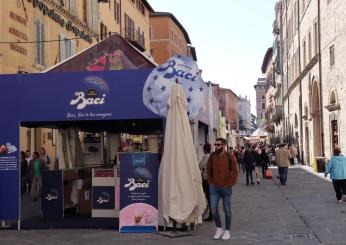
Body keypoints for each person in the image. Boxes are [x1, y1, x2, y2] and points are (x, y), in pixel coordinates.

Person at [207, 138, 239, 240]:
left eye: (218, 145)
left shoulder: (230, 156)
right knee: (213, 209)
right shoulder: (212, 156)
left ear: (224, 145)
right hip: (214, 187)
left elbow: (235, 171)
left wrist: (229, 184)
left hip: (226, 187)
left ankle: (227, 231)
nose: (216, 146)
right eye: (215, 144)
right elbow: (208, 170)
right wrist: (210, 182)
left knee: (227, 210)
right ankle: (219, 228)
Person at [199, 143, 213, 221]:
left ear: (204, 149)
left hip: (206, 179)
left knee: (208, 197)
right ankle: (212, 213)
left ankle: (211, 214)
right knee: (211, 197)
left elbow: (200, 166)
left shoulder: (206, 157)